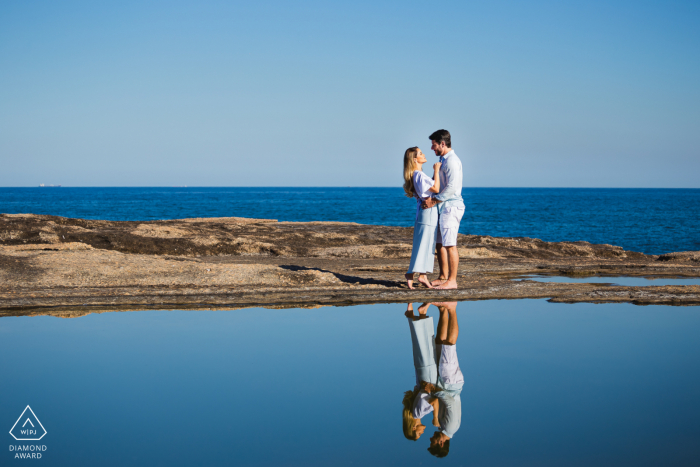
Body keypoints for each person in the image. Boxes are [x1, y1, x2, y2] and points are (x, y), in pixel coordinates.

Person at [421, 130, 465, 290]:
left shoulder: (452, 161)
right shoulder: (442, 160)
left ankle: (452, 281)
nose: (432, 148)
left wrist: (434, 200)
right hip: (443, 207)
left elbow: (452, 187)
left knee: (450, 244)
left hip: (451, 207)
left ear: (442, 144)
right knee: (440, 243)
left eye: (434, 145)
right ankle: (443, 276)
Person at [421, 301, 463, 458]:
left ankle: (442, 310)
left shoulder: (442, 426)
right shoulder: (451, 427)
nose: (431, 438)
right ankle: (452, 309)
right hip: (451, 383)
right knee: (449, 346)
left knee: (438, 343)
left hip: (444, 384)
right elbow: (450, 403)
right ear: (441, 443)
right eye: (432, 441)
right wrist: (434, 390)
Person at [403, 147, 441, 289]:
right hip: (428, 212)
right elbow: (436, 189)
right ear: (414, 159)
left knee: (426, 243)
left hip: (425, 211)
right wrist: (436, 170)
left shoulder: (418, 175)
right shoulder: (418, 175)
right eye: (420, 153)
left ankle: (422, 275)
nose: (424, 154)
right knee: (425, 244)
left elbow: (431, 187)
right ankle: (412, 273)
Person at [402, 303, 440, 440]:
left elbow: (435, 400)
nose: (422, 433)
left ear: (413, 428)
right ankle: (414, 316)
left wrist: (436, 418)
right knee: (422, 346)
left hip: (427, 376)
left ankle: (418, 314)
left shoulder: (417, 413)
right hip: (422, 374)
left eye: (418, 434)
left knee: (426, 347)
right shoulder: (416, 411)